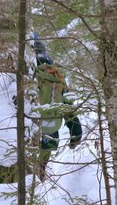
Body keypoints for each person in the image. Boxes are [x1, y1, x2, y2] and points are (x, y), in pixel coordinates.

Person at [33, 33, 82, 181]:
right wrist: (75, 130)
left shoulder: (28, 72)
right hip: (51, 135)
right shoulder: (56, 74)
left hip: (29, 133)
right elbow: (66, 106)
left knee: (25, 179)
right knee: (39, 173)